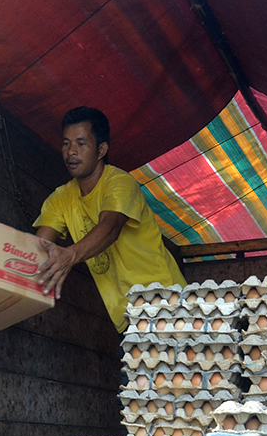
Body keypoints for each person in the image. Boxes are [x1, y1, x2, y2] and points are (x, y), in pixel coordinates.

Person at [34, 106, 186, 332]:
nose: (71, 152)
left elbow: (111, 226)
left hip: (166, 302)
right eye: (66, 143)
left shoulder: (120, 183)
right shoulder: (60, 199)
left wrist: (70, 255)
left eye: (81, 143)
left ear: (101, 149)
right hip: (128, 318)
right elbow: (37, 248)